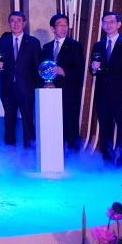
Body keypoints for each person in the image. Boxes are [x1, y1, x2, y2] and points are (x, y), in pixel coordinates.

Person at [91, 11, 122, 167]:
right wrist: (93, 68)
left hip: (121, 94)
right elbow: (93, 71)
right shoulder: (98, 45)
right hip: (102, 94)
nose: (108, 25)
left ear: (119, 24)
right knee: (105, 129)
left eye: (111, 22)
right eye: (105, 22)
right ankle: (108, 161)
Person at [0, 10, 42, 148]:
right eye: (12, 21)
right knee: (9, 121)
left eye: (19, 21)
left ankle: (29, 151)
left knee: (28, 121)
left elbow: (38, 67)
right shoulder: (2, 42)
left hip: (26, 90)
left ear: (24, 23)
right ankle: (10, 153)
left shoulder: (33, 42)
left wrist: (36, 87)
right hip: (8, 89)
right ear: (9, 24)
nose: (16, 24)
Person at [41, 14, 85, 152]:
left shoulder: (75, 45)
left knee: (69, 123)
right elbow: (42, 68)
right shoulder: (46, 47)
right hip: (50, 92)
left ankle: (72, 155)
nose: (64, 27)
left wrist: (64, 71)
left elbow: (80, 69)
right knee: (53, 123)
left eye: (66, 24)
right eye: (60, 24)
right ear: (52, 28)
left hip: (69, 91)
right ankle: (55, 152)